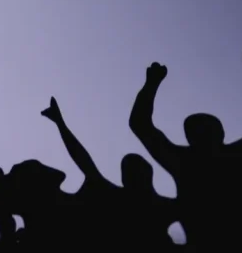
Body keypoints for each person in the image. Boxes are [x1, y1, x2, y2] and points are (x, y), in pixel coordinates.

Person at [130, 44, 242, 251]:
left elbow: (140, 124)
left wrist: (151, 84)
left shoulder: (186, 160)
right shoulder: (241, 154)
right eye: (199, 130)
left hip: (239, 235)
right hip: (223, 239)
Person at [41, 96, 176, 249]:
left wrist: (61, 124)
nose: (130, 176)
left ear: (147, 174)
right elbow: (83, 160)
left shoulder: (164, 206)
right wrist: (61, 124)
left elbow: (84, 162)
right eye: (127, 173)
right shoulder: (125, 199)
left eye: (133, 172)